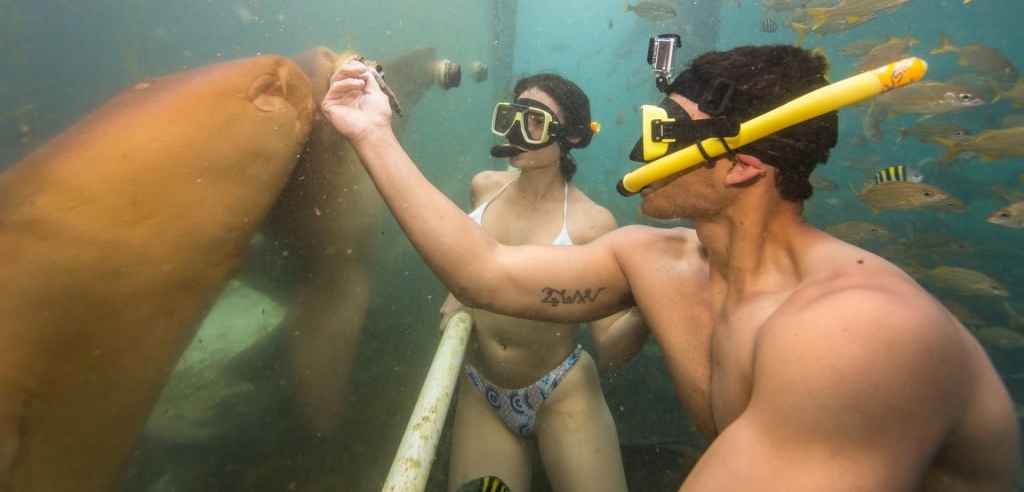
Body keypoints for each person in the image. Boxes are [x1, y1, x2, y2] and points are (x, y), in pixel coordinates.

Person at [322, 44, 1020, 491]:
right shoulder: (655, 259)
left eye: (664, 133)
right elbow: (485, 272)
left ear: (741, 163)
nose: (640, 149)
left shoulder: (857, 333)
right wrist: (371, 131)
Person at [439, 73, 648, 492]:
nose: (518, 130)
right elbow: (472, 260)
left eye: (534, 121)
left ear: (569, 138)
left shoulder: (592, 224)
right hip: (481, 387)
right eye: (512, 116)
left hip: (563, 393)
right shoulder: (484, 188)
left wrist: (652, 300)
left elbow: (609, 347)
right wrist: (457, 294)